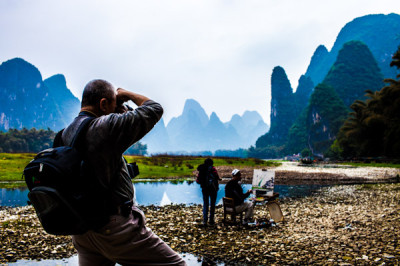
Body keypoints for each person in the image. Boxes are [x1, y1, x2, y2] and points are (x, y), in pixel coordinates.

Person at [61, 79, 185, 265]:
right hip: (114, 228)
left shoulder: (66, 133)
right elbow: (154, 108)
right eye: (113, 103)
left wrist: (117, 108)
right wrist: (125, 93)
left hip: (83, 230)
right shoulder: (105, 127)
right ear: (103, 104)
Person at [196, 158, 220, 226]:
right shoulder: (213, 169)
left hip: (204, 189)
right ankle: (211, 220)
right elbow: (216, 177)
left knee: (205, 204)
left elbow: (198, 180)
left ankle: (205, 220)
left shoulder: (202, 169)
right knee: (212, 204)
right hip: (213, 189)